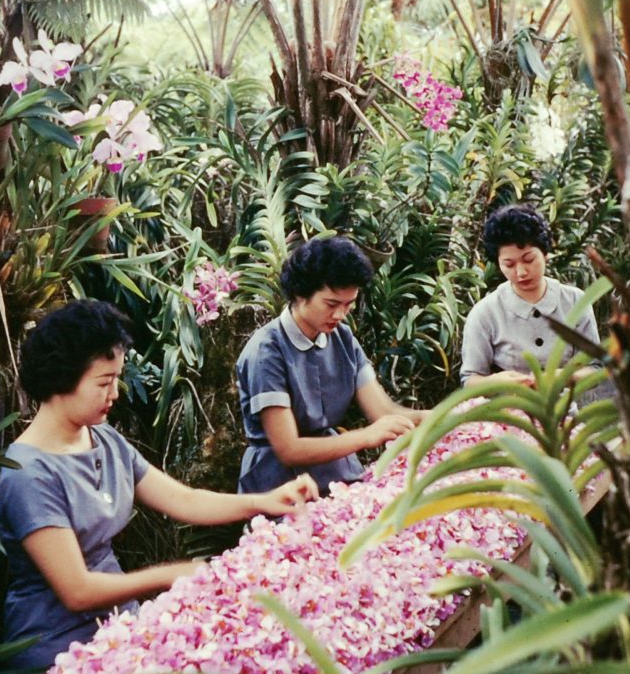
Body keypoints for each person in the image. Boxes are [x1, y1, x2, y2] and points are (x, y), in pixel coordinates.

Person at [0, 299, 317, 674]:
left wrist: (262, 501)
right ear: (61, 379)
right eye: (103, 382)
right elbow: (77, 590)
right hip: (55, 648)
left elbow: (182, 499)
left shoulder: (105, 440)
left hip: (116, 625)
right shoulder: (28, 475)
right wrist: (169, 575)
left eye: (116, 378)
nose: (115, 392)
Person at [236, 236, 427, 496]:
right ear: (300, 294)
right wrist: (366, 436)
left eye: (349, 305)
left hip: (337, 473)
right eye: (331, 304)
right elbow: (289, 450)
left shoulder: (343, 338)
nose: (340, 315)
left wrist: (443, 417)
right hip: (279, 485)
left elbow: (384, 411)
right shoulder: (266, 351)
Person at [460, 204, 600, 386]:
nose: (521, 272)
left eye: (529, 260)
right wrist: (496, 382)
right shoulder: (485, 313)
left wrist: (562, 376)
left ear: (545, 253)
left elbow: (595, 368)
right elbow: (470, 379)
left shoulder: (575, 301)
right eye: (509, 264)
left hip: (562, 411)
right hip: (503, 412)